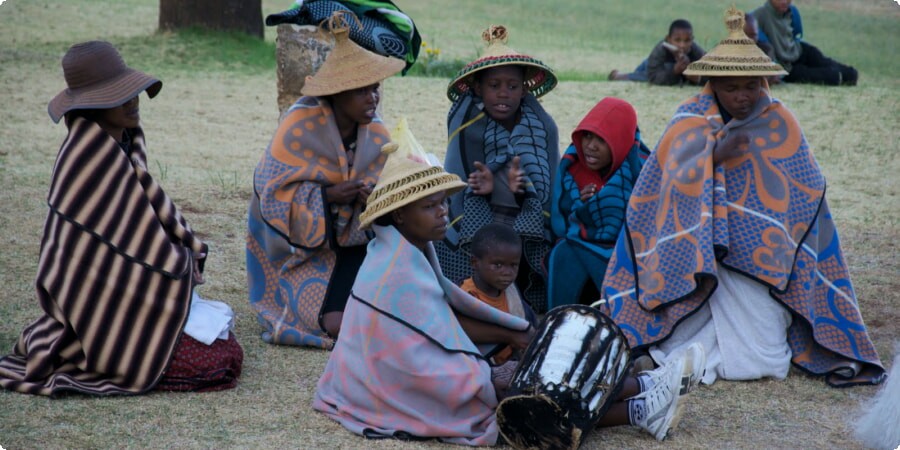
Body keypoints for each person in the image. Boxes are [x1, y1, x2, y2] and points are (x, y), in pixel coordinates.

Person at [313, 121, 707, 444]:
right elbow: (425, 346)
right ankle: (639, 398)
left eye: (442, 203)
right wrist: (488, 365)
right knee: (520, 395)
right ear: (399, 216)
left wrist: (516, 334)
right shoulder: (393, 269)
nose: (441, 213)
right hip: (396, 385)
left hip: (402, 374)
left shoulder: (403, 251)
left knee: (527, 378)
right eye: (429, 206)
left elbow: (442, 324)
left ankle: (640, 387)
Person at [599, 7, 886, 388]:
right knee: (696, 332)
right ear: (712, 84)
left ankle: (683, 362)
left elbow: (808, 190)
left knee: (767, 357)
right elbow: (659, 187)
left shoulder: (780, 121)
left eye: (750, 85)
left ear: (763, 81)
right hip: (699, 260)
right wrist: (713, 156)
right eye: (730, 88)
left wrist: (771, 241)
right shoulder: (688, 119)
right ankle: (676, 359)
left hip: (763, 267)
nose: (742, 97)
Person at [0, 41, 243, 396]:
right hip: (97, 311)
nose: (133, 100)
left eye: (133, 91)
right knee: (215, 361)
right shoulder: (88, 158)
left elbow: (143, 235)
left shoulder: (121, 145)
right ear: (92, 104)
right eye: (119, 95)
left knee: (227, 349)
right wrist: (179, 264)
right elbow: (126, 255)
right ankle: (111, 350)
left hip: (127, 296)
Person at [246, 11, 405, 348]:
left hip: (356, 243)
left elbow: (391, 188)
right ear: (337, 93)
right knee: (335, 325)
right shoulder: (298, 125)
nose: (372, 99)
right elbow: (271, 194)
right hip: (301, 251)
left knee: (389, 310)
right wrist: (329, 196)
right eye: (362, 92)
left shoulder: (376, 131)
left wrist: (371, 196)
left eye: (375, 89)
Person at [437, 25, 559, 313]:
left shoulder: (541, 127)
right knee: (454, 240)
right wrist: (488, 186)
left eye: (512, 86)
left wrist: (515, 189)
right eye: (494, 86)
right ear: (478, 87)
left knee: (540, 240)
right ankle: (472, 299)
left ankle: (526, 301)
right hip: (476, 212)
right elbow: (461, 183)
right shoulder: (466, 124)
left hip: (525, 213)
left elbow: (545, 188)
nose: (504, 94)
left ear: (525, 88)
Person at [547, 97, 650, 310]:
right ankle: (562, 318)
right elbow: (561, 223)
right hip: (577, 242)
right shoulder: (573, 166)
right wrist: (583, 207)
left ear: (620, 141)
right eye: (587, 136)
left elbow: (650, 219)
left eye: (601, 140)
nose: (590, 147)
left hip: (630, 244)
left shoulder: (642, 169)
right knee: (563, 255)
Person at [460, 223, 539, 365]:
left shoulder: (512, 294)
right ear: (475, 262)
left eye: (513, 265)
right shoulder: (464, 296)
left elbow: (530, 326)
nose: (507, 272)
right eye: (498, 265)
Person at [753, 0, 857, 85]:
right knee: (830, 76)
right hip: (786, 67)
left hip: (798, 51)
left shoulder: (791, 11)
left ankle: (849, 75)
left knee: (847, 72)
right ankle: (839, 77)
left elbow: (794, 36)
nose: (785, 1)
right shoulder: (759, 16)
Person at [609, 19, 705, 86]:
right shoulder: (661, 48)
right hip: (651, 65)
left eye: (687, 41)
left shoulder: (695, 50)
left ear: (692, 40)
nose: (682, 45)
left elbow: (712, 72)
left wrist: (696, 78)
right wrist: (674, 71)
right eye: (677, 40)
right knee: (643, 76)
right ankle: (619, 76)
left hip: (667, 73)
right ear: (668, 39)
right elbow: (653, 77)